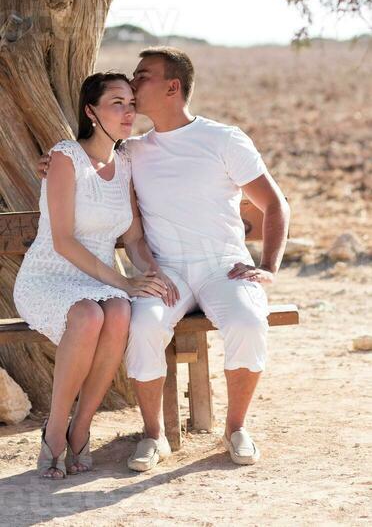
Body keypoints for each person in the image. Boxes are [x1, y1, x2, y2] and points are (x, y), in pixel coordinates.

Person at [39, 48, 290, 472]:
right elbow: (87, 162)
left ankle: (235, 428)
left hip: (222, 266)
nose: (133, 85)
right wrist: (52, 161)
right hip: (164, 271)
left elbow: (275, 205)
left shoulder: (223, 139)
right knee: (143, 323)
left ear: (173, 86)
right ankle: (153, 435)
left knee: (248, 321)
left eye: (142, 76)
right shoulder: (132, 151)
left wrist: (268, 265)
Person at [16, 71, 178, 480]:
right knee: (90, 314)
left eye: (130, 103)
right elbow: (64, 241)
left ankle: (81, 428)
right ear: (91, 111)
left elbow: (135, 238)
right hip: (49, 275)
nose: (128, 112)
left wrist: (154, 274)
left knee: (120, 313)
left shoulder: (124, 163)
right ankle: (54, 431)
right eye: (116, 103)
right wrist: (123, 282)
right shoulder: (65, 157)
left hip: (101, 281)